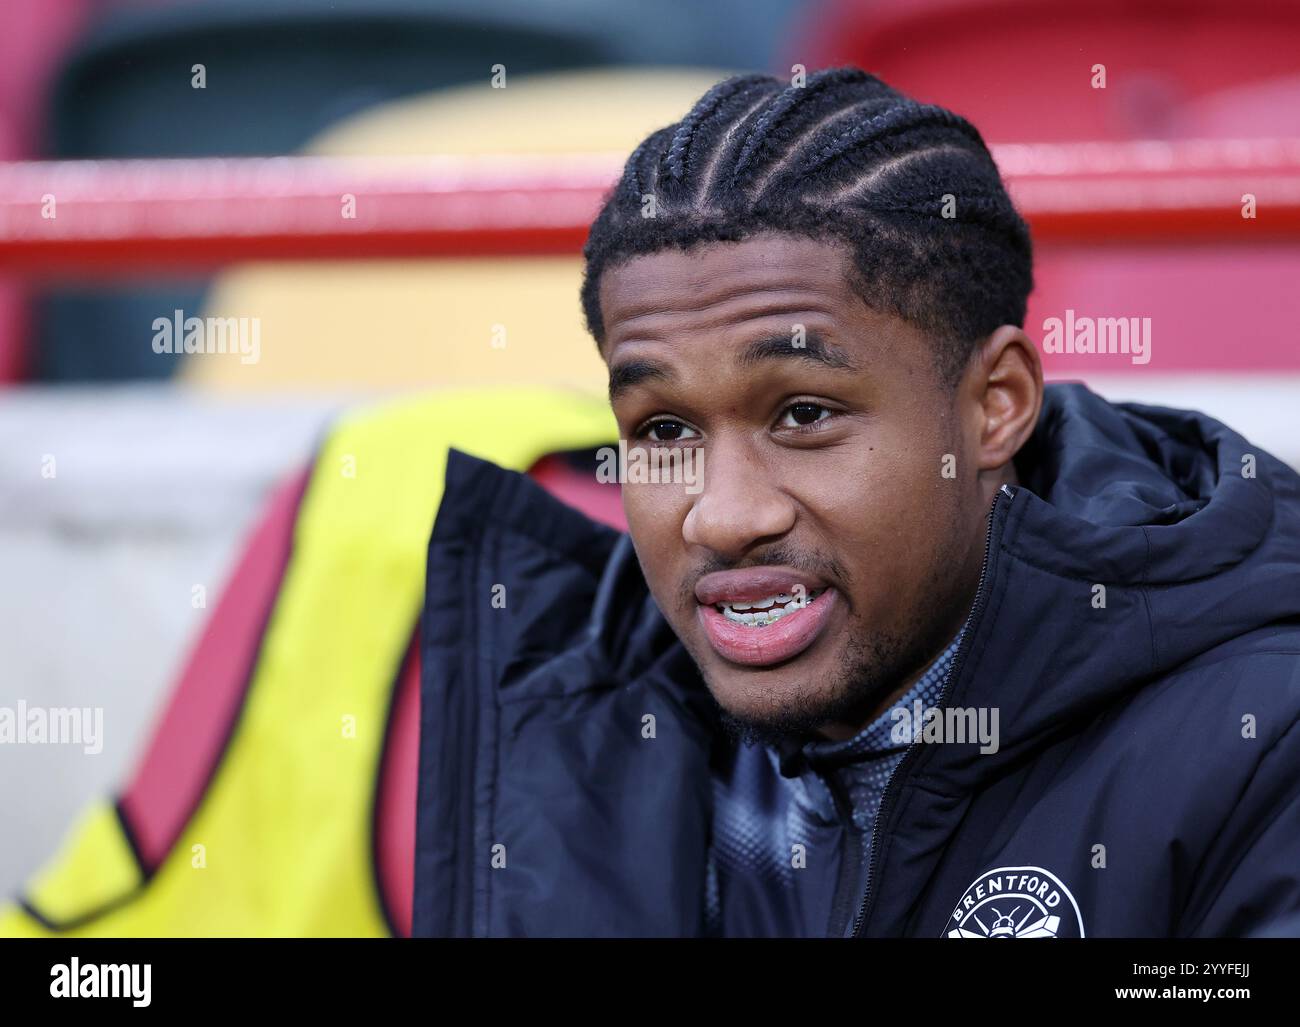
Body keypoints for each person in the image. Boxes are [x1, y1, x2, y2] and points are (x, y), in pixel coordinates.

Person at [6, 67, 1299, 938]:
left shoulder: (1260, 725)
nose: (723, 515)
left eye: (804, 415)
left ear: (995, 406)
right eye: (664, 431)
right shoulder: (531, 646)